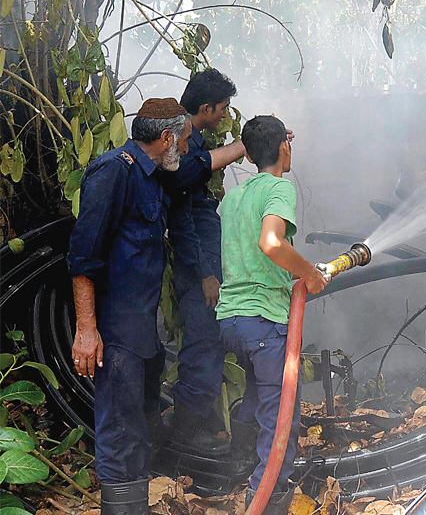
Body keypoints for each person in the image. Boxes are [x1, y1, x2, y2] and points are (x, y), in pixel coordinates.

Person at [68, 98, 192, 515]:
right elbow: (82, 256)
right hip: (116, 334)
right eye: (185, 140)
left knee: (138, 431)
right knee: (120, 435)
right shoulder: (113, 171)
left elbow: (199, 164)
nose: (187, 149)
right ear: (167, 138)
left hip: (143, 333)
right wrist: (87, 330)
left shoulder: (153, 176)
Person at [162, 69, 295, 457]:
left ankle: (213, 439)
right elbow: (182, 217)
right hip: (199, 272)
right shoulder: (181, 147)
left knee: (210, 351)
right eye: (221, 109)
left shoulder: (226, 183)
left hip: (212, 277)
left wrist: (260, 144)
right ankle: (186, 440)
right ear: (205, 108)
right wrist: (205, 274)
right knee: (203, 350)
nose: (224, 115)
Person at [215, 115, 326, 512]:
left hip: (231, 321)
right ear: (284, 148)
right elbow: (271, 242)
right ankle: (266, 500)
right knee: (281, 416)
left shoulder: (233, 197)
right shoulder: (279, 188)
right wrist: (309, 272)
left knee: (256, 395)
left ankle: (241, 469)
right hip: (264, 320)